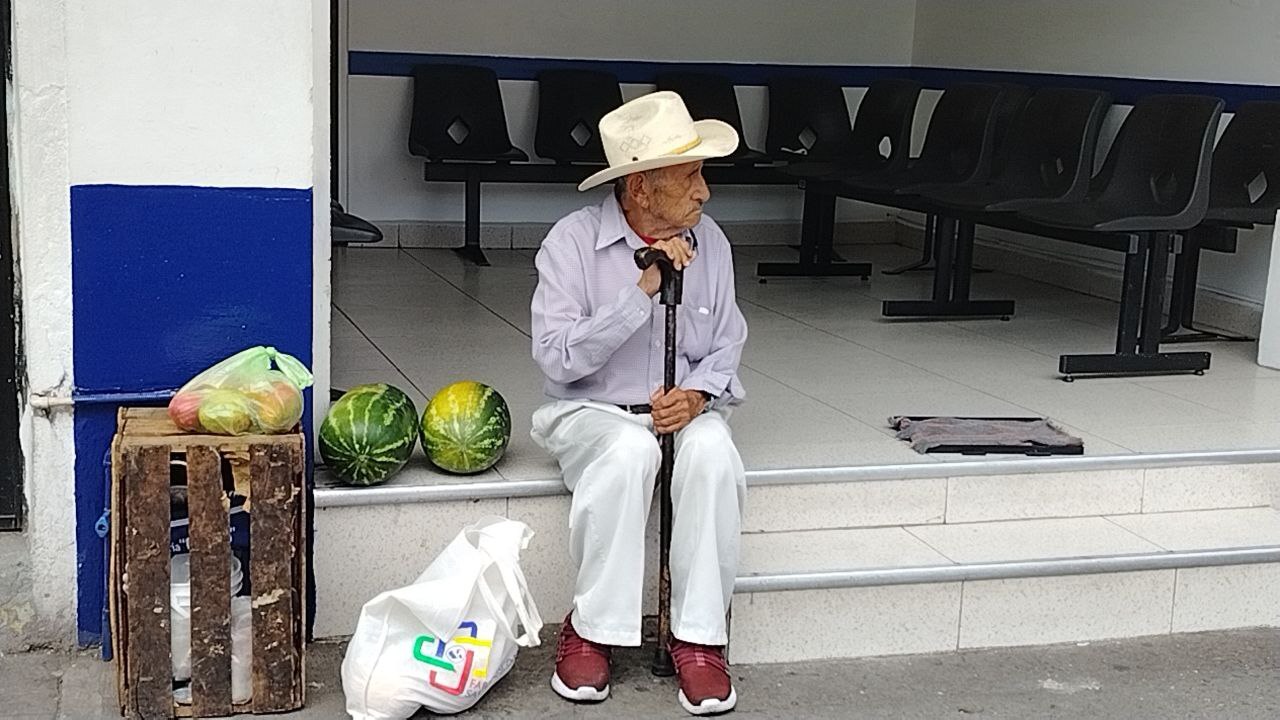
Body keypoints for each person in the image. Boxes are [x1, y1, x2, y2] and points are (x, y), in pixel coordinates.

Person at [529, 91, 749, 716]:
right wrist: (642, 289)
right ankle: (591, 630)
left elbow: (729, 341)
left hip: (683, 414)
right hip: (593, 415)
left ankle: (699, 639)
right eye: (690, 176)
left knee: (711, 452)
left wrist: (699, 394)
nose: (704, 192)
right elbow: (557, 357)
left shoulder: (714, 245)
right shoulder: (570, 244)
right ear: (641, 189)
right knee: (629, 451)